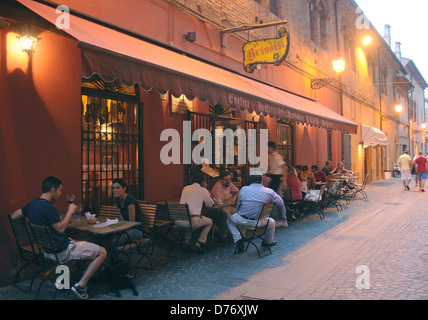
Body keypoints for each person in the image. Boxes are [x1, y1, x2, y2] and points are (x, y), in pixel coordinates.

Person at [11, 176, 107, 299]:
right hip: (61, 251)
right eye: (60, 190)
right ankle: (81, 286)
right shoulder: (49, 208)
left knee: (79, 241)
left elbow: (14, 216)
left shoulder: (32, 205)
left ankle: (63, 282)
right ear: (52, 190)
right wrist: (70, 211)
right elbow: (61, 229)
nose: (61, 194)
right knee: (102, 252)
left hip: (47, 250)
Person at [227, 172, 287, 254]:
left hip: (242, 219)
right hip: (258, 222)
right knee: (271, 222)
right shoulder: (268, 192)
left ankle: (238, 239)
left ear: (250, 180)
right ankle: (268, 242)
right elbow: (281, 203)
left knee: (229, 220)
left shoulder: (243, 189)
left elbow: (238, 206)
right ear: (262, 180)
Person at [109, 178, 144, 258]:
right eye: (113, 188)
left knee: (113, 242)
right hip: (127, 229)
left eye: (118, 188)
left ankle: (115, 262)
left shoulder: (130, 200)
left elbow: (132, 223)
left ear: (124, 188)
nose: (115, 190)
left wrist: (119, 229)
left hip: (136, 230)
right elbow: (123, 220)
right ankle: (112, 261)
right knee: (106, 239)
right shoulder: (118, 200)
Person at [179, 174, 214, 252]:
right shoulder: (203, 190)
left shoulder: (185, 188)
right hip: (193, 221)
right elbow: (210, 204)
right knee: (210, 221)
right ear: (202, 182)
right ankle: (199, 242)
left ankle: (187, 241)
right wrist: (205, 189)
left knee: (188, 217)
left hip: (179, 220)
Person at [209, 171, 239, 238]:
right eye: (226, 179)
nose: (228, 181)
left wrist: (233, 198)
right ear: (221, 180)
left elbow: (237, 191)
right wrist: (229, 201)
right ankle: (223, 236)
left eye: (230, 179)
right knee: (228, 216)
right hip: (217, 209)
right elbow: (219, 204)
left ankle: (238, 234)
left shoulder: (229, 184)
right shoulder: (217, 187)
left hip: (227, 206)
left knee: (239, 213)